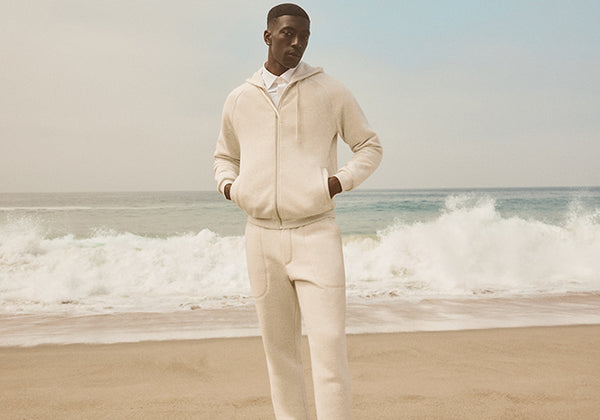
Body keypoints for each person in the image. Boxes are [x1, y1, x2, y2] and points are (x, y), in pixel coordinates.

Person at [213, 3, 382, 419]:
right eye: (288, 33)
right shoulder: (239, 98)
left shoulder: (330, 91)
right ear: (267, 35)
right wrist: (232, 188)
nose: (297, 42)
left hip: (315, 232)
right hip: (260, 237)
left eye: (304, 36)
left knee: (329, 348)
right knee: (280, 354)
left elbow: (369, 146)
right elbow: (224, 156)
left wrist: (336, 183)